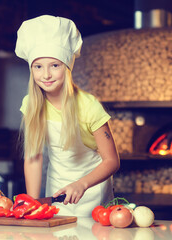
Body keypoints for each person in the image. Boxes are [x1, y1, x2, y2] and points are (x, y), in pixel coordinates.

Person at [15, 15, 120, 217]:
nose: (46, 74)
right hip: (56, 193)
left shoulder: (89, 106)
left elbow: (111, 161)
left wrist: (82, 184)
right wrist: (33, 203)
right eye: (38, 66)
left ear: (67, 67)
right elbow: (33, 158)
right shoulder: (31, 104)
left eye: (54, 65)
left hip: (92, 194)